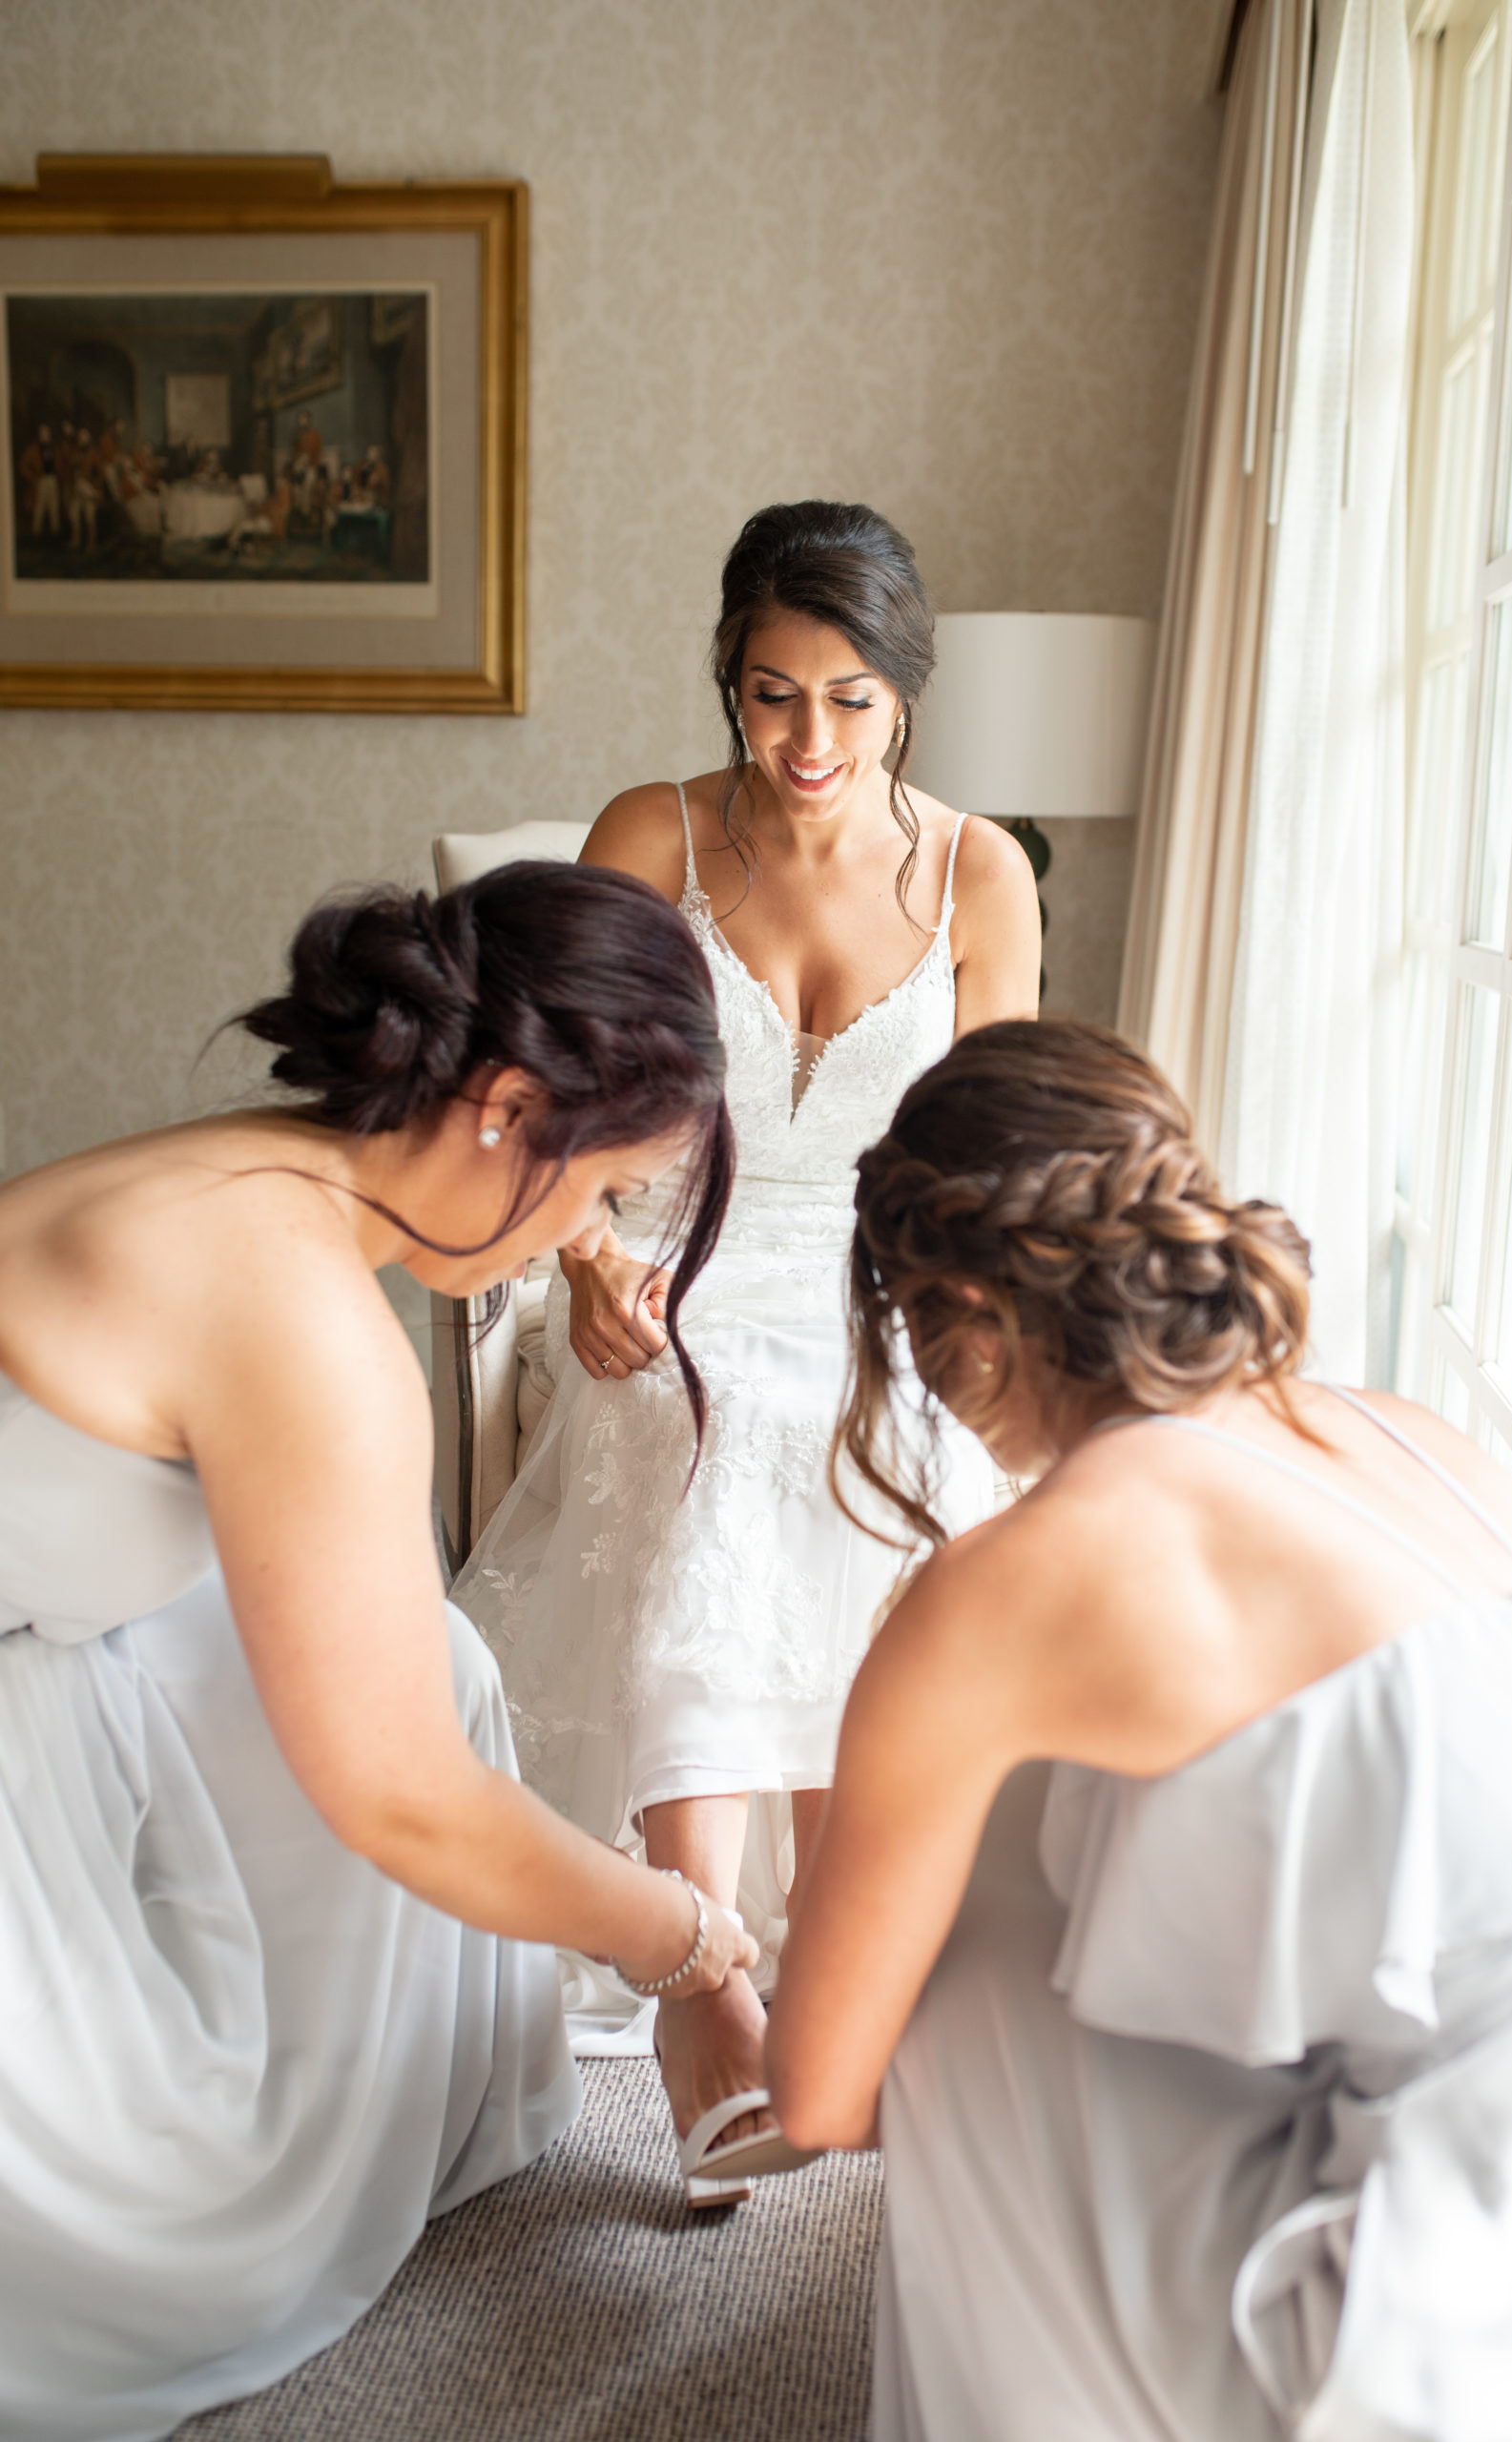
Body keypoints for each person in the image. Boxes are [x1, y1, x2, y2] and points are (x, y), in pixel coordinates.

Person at [768, 1019, 1512, 2441]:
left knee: (968, 1970)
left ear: (965, 1314)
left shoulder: (1008, 1587)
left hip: (1444, 2328)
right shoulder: (1404, 1431)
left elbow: (818, 2099)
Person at [0, 860, 756, 2440]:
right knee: (162, 2259)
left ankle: (403, 2085)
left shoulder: (261, 1164)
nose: (587, 1237)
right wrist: (687, 1940)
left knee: (443, 1662)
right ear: (504, 1110)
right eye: (604, 1191)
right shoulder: (302, 1320)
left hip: (47, 1606)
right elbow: (403, 1799)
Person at [455, 500, 1041, 2203]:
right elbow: (536, 1093)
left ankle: (839, 1957)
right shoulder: (656, 831)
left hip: (882, 1272)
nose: (809, 740)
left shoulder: (980, 873)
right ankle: (703, 1973)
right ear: (729, 679)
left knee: (882, 1430)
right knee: (724, 1414)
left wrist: (973, 1317)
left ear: (905, 694)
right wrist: (585, 1264)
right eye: (773, 694)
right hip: (674, 1262)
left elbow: (989, 1151)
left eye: (851, 698)